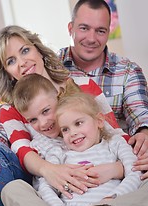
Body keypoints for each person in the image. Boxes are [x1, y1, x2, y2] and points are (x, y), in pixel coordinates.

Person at [0, 25, 124, 206]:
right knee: (12, 190)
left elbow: (114, 133)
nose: (22, 63)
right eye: (11, 61)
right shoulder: (9, 110)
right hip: (55, 188)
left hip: (102, 173)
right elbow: (24, 153)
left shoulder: (85, 85)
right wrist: (50, 170)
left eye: (24, 51)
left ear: (38, 50)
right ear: (7, 72)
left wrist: (117, 168)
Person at [4, 73, 137, 206]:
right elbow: (43, 187)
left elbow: (133, 163)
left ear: (58, 100)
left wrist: (116, 172)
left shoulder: (105, 135)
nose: (43, 123)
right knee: (12, 190)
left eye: (46, 111)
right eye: (33, 120)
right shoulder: (50, 148)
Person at [58, 0, 148, 179]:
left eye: (100, 31)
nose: (91, 39)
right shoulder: (52, 68)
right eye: (84, 28)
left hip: (118, 164)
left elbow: (140, 117)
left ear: (108, 31)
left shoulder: (128, 71)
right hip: (67, 166)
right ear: (70, 28)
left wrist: (144, 135)